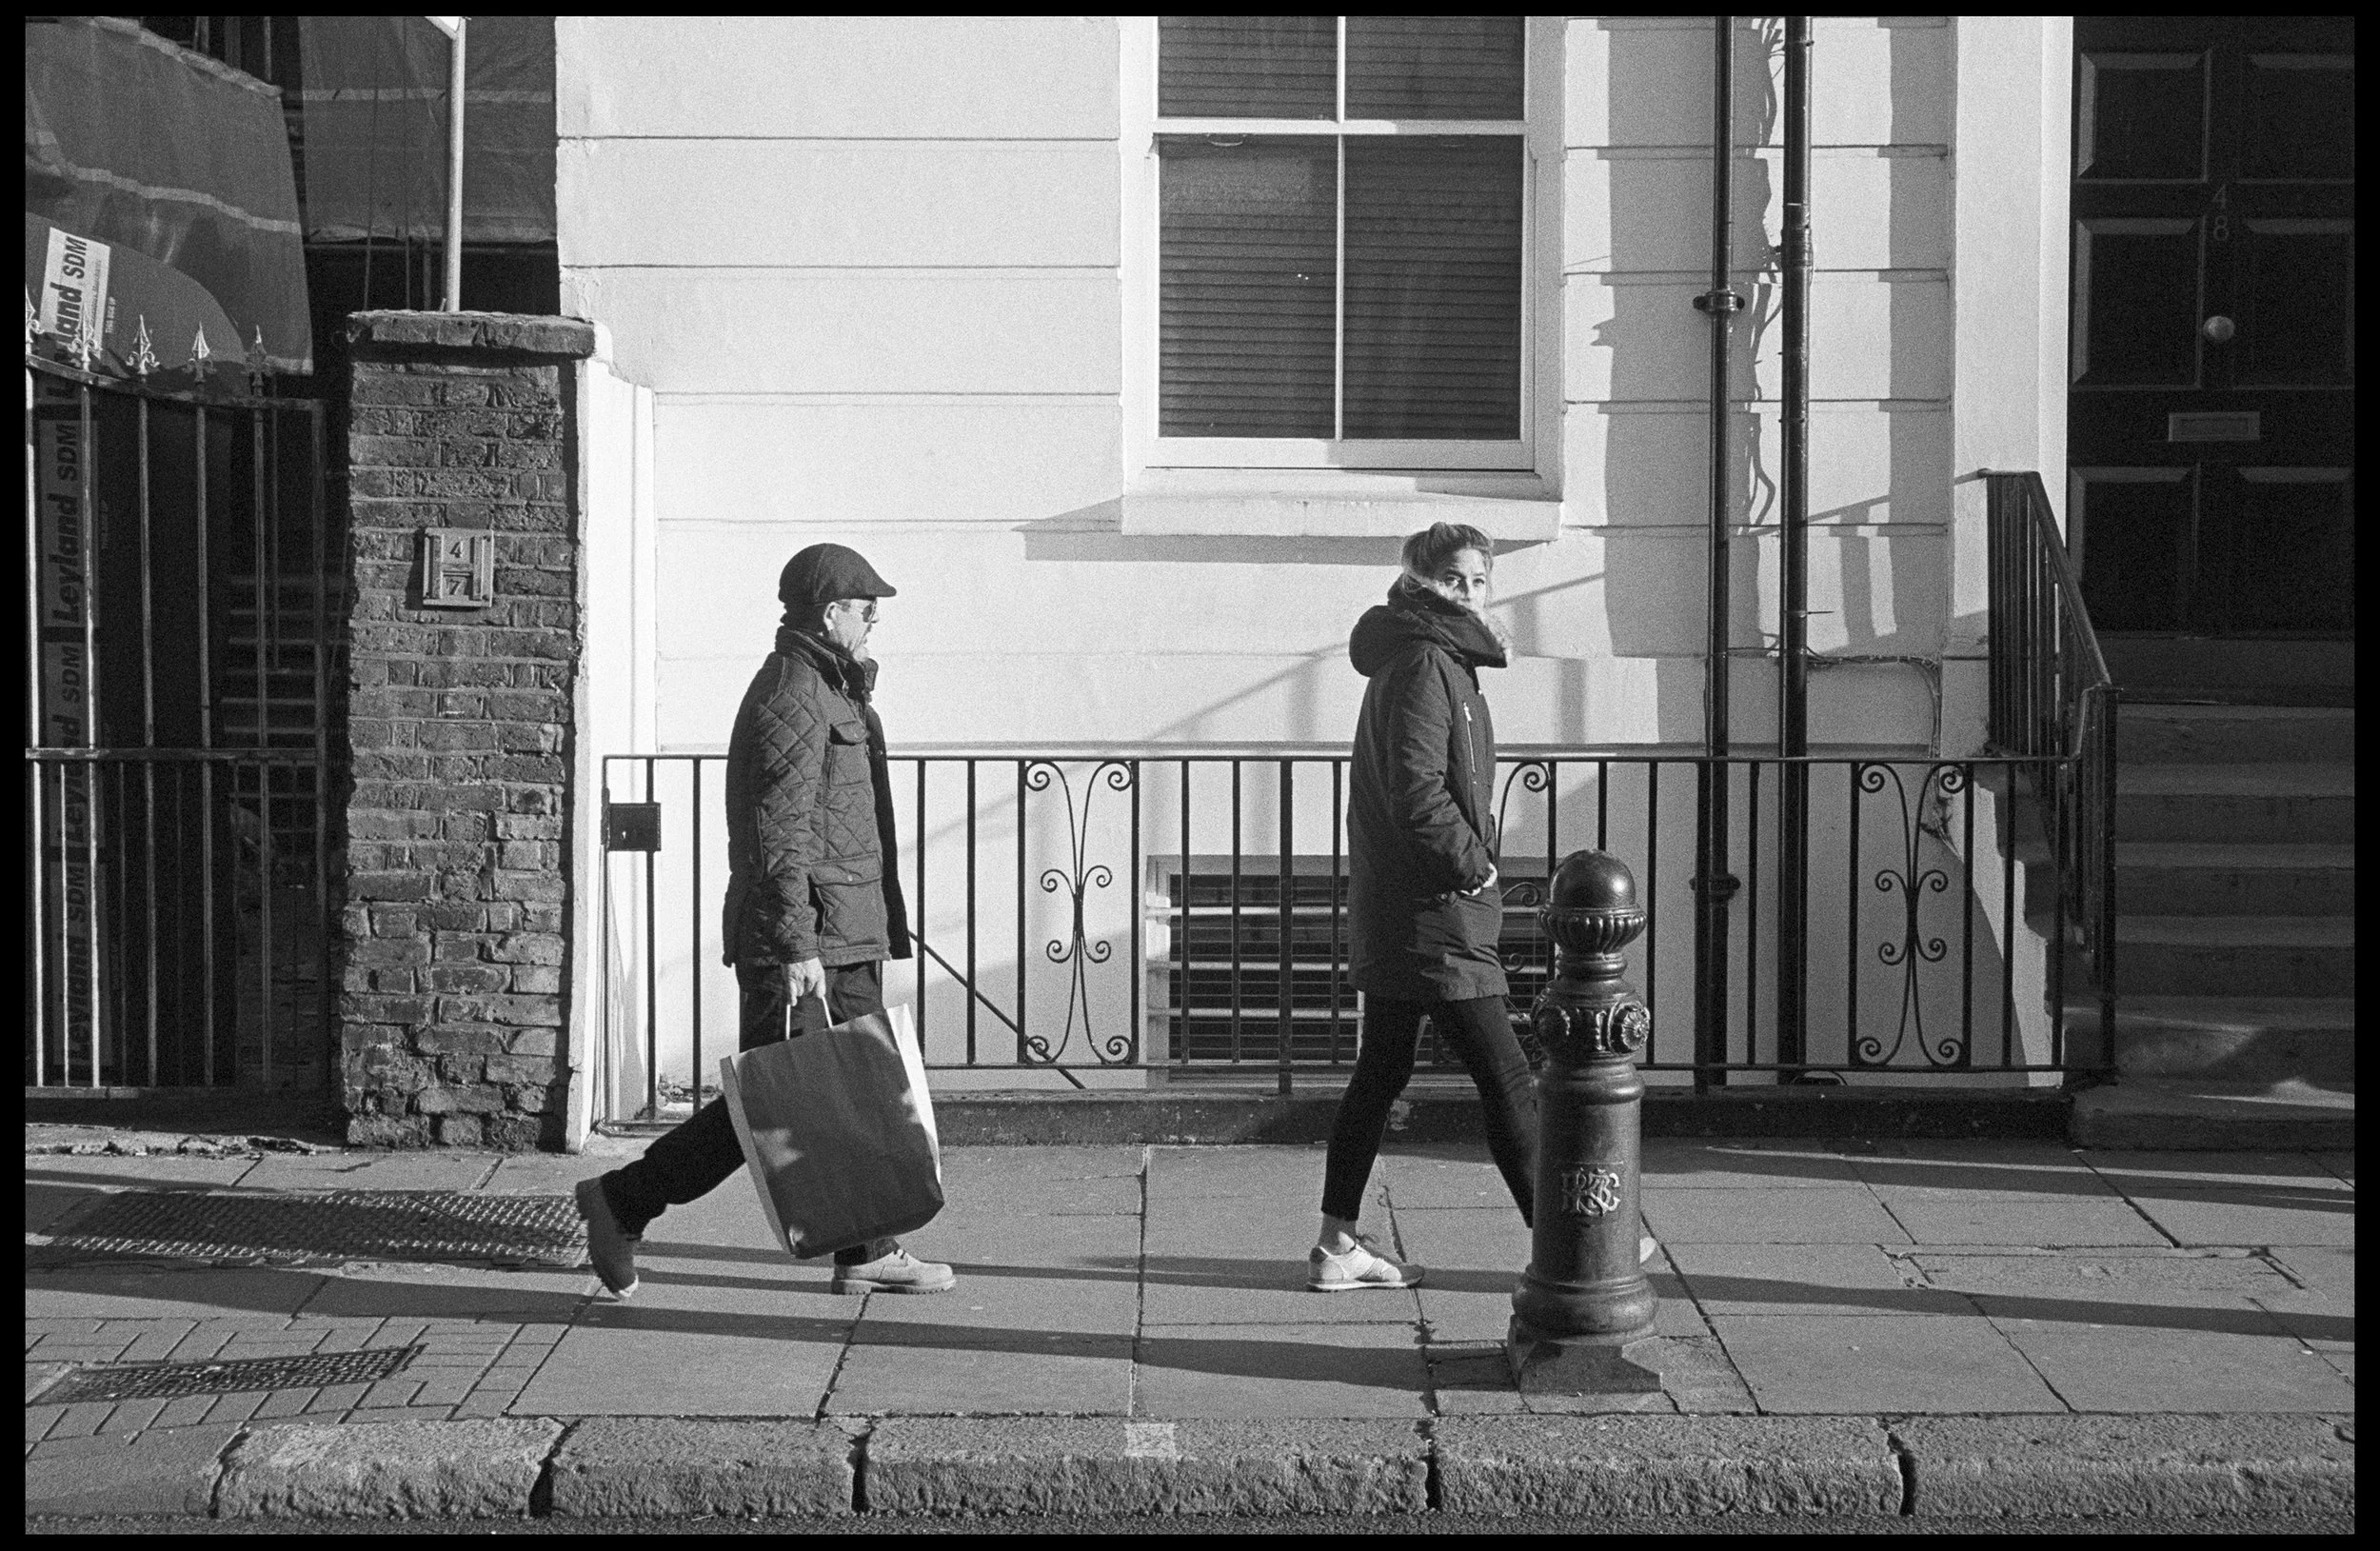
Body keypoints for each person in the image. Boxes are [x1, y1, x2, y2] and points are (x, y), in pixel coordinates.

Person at [574, 543, 954, 1298]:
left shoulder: (825, 686)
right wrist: (795, 945)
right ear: (828, 611)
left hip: (840, 929)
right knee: (777, 1104)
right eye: (864, 606)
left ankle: (864, 1248)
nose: (874, 618)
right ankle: (621, 1200)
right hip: (810, 938)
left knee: (840, 1095)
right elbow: (775, 831)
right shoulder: (794, 694)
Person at [1310, 523, 1537, 1291]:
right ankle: (1570, 1239)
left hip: (1415, 905)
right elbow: (1418, 791)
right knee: (1506, 1075)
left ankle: (1338, 1244)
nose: (1467, 589)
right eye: (1452, 576)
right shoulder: (1424, 661)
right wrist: (1474, 870)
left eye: (1478, 578)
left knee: (1382, 1069)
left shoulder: (1441, 659)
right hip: (1431, 911)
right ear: (1420, 579)